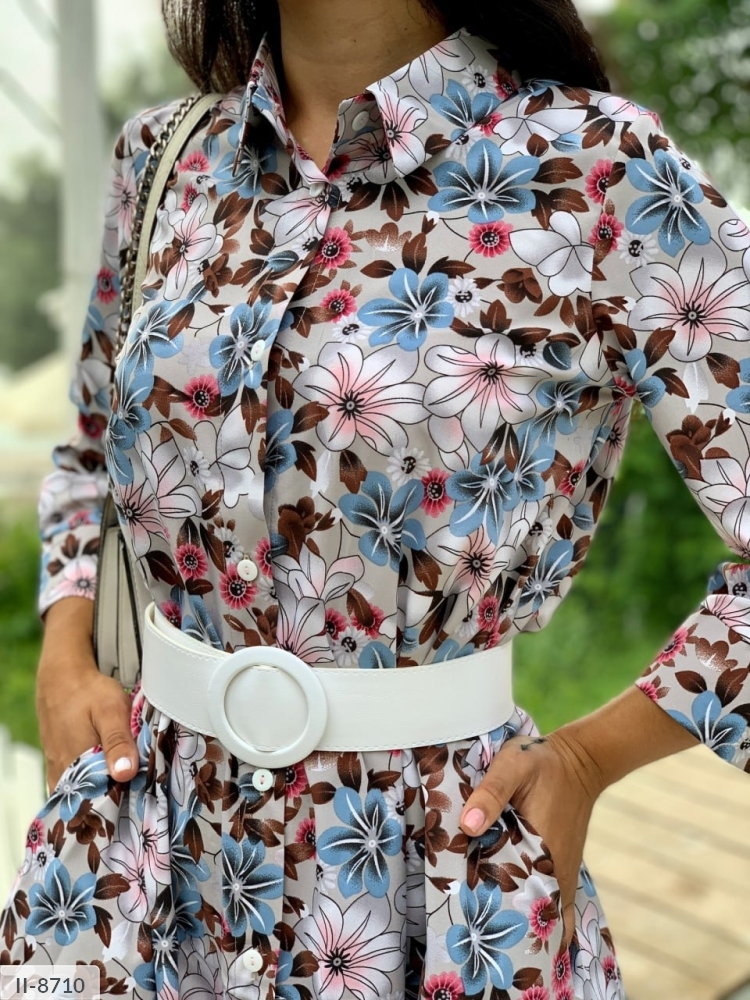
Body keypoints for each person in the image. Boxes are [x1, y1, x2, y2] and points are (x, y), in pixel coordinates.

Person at [2, 0, 749, 996]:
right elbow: (94, 443)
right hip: (140, 865)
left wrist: (587, 759)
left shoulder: (598, 170)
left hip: (432, 882)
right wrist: (65, 649)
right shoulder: (165, 158)